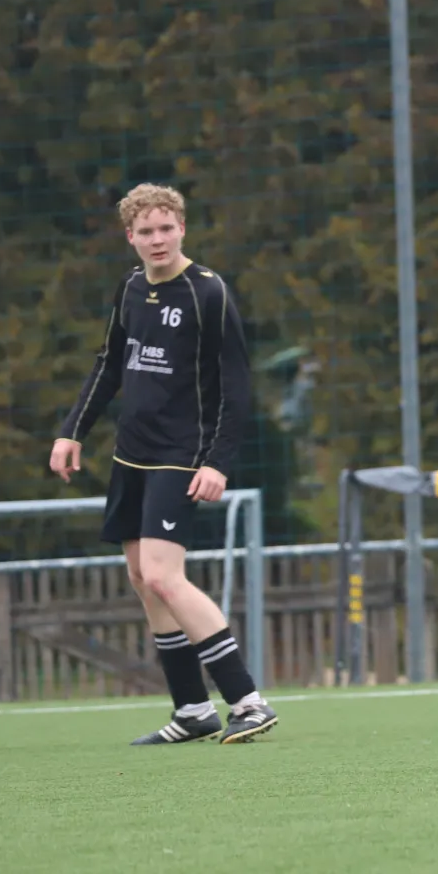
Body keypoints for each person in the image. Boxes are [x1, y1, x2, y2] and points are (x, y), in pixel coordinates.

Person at [50, 184, 277, 745]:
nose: (158, 240)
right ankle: (193, 710)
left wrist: (217, 462)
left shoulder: (208, 292)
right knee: (141, 578)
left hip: (182, 456)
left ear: (182, 228)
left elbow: (236, 387)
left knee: (162, 575)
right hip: (132, 453)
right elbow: (110, 363)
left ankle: (248, 701)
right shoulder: (131, 287)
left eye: (166, 228)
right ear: (130, 236)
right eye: (146, 231)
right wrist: (72, 430)